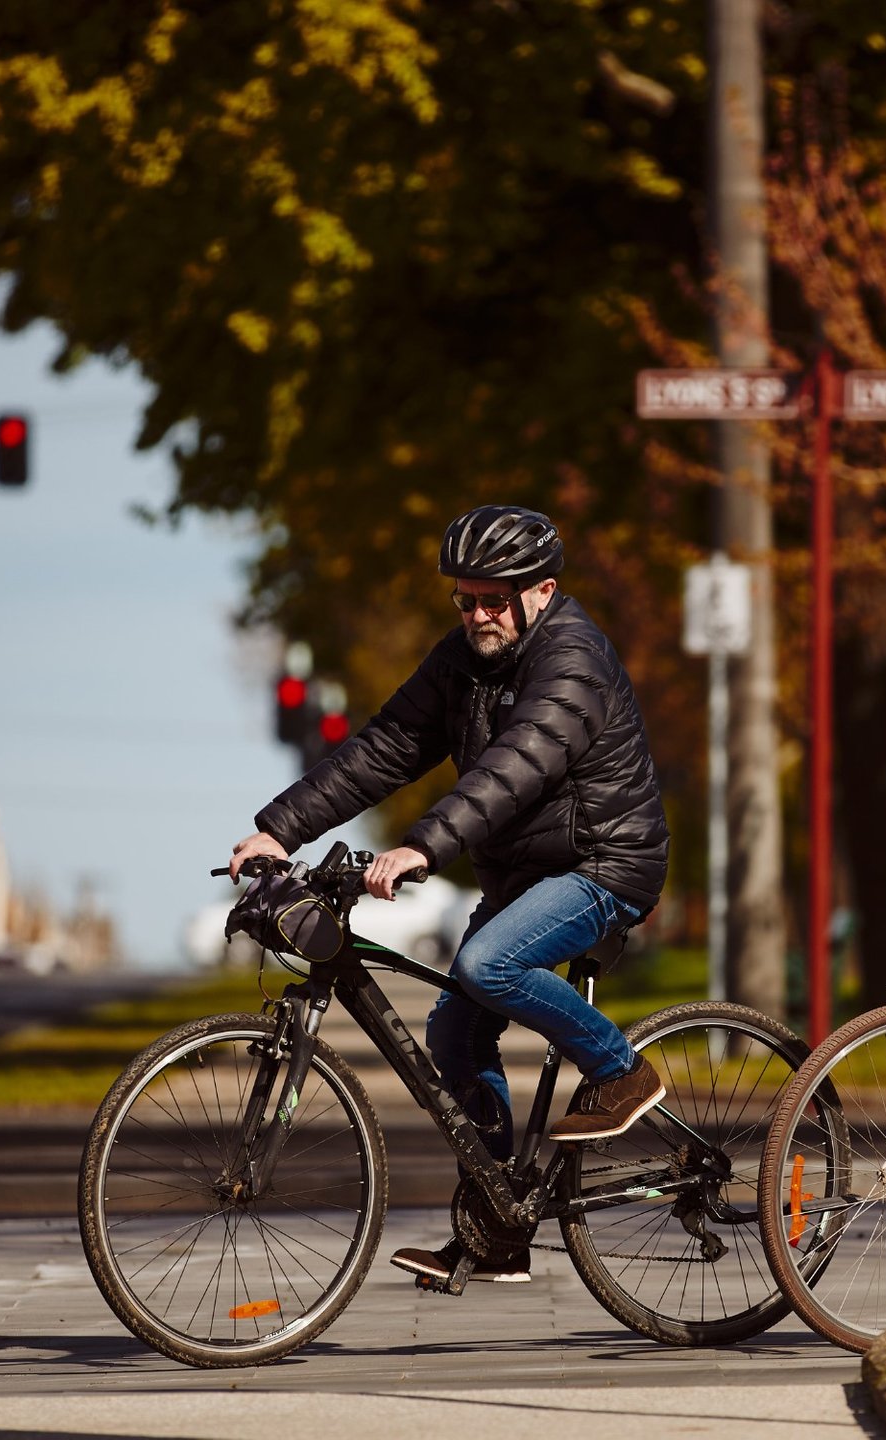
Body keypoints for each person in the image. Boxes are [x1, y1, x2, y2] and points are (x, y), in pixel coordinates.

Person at [230, 505, 670, 1284]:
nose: (477, 615)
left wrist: (422, 845)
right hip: (525, 876)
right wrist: (279, 830)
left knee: (488, 965)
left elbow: (516, 765)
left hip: (606, 864)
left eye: (493, 599)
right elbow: (385, 747)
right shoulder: (463, 661)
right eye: (465, 600)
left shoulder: (573, 660)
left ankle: (621, 1072)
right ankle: (498, 1222)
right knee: (454, 1037)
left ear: (541, 592)